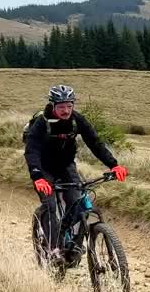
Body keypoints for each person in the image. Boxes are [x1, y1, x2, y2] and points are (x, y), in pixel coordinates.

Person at [24, 84, 128, 259]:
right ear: (53, 105)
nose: (66, 110)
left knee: (77, 201)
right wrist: (37, 177)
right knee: (49, 205)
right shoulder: (42, 123)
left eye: (69, 106)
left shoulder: (77, 120)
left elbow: (95, 143)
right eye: (61, 107)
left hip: (66, 165)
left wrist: (114, 165)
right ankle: (53, 248)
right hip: (44, 168)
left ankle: (72, 244)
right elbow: (31, 150)